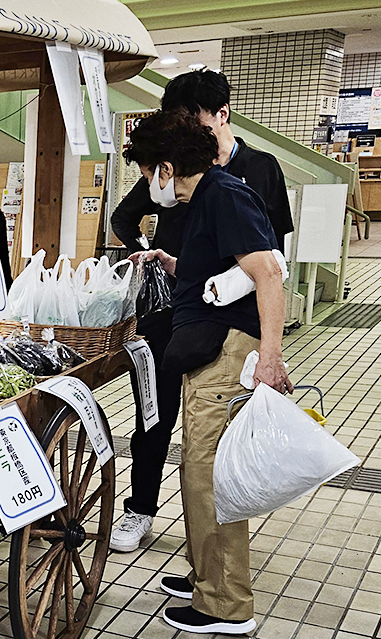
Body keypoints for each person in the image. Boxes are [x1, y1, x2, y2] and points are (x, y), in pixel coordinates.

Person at [108, 69, 294, 553]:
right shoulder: (173, 170)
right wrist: (160, 258)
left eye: (192, 120)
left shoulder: (252, 173)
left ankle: (216, 569)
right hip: (171, 311)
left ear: (221, 115)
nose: (185, 130)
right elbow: (125, 215)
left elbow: (272, 262)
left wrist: (269, 350)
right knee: (157, 415)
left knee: (210, 449)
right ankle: (143, 510)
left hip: (226, 328)